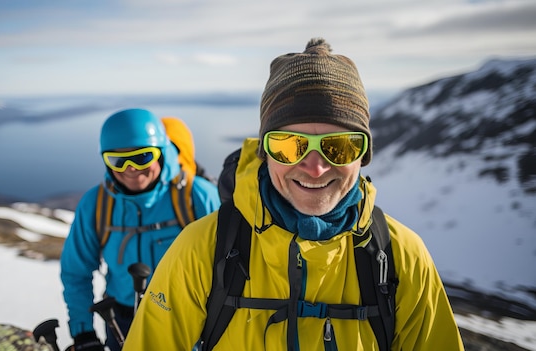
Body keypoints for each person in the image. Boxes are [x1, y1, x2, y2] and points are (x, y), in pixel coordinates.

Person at [123, 38, 465, 350]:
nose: (315, 168)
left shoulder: (402, 258)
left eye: (340, 146)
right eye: (289, 146)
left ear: (363, 154)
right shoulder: (202, 249)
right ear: (265, 152)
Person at [60, 108, 221, 351]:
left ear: (161, 152)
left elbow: (230, 264)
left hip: (190, 320)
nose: (131, 169)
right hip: (121, 321)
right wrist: (84, 333)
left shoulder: (198, 196)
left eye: (142, 157)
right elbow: (76, 272)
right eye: (117, 160)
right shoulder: (96, 204)